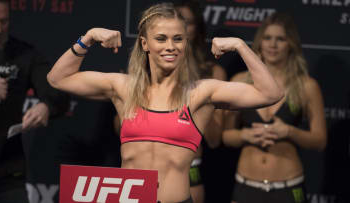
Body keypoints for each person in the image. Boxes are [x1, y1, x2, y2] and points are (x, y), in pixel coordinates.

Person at [47, 3, 283, 203]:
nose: (170, 46)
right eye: (161, 38)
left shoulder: (200, 93)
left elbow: (270, 94)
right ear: (144, 44)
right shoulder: (125, 88)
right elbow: (58, 79)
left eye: (178, 39)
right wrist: (88, 38)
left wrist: (240, 46)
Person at [222, 12, 327, 203]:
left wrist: (289, 131)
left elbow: (320, 140)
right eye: (267, 38)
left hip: (288, 188)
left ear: (291, 45)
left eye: (280, 39)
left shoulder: (307, 86)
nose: (273, 44)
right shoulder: (239, 82)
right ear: (259, 42)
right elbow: (225, 135)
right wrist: (244, 135)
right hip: (246, 186)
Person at [0, 0, 68, 202]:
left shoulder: (23, 54)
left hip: (6, 175)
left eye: (4, 22)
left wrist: (46, 106)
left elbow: (59, 91)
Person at [175, 1, 227, 203]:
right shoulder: (147, 68)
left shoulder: (212, 73)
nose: (180, 27)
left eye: (187, 22)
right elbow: (121, 127)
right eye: (176, 20)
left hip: (189, 168)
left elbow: (214, 139)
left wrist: (198, 101)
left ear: (198, 29)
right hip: (146, 166)